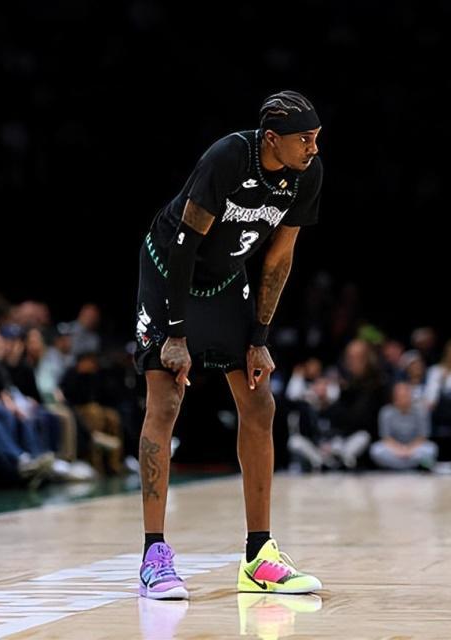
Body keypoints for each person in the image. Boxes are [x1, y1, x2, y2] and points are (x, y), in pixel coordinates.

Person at [132, 90, 323, 599]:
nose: (313, 147)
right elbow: (183, 244)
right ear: (271, 139)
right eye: (305, 138)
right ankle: (154, 556)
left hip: (223, 281)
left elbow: (279, 258)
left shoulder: (306, 174)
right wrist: (176, 335)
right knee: (166, 399)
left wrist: (259, 338)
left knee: (260, 402)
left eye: (316, 137)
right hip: (170, 271)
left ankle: (259, 556)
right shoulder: (228, 157)